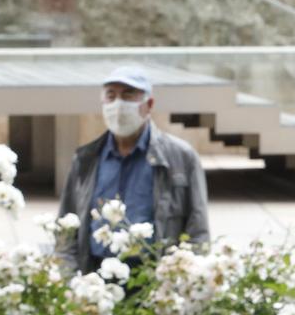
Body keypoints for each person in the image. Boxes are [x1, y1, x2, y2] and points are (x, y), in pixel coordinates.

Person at [55, 63, 210, 275]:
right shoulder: (86, 159)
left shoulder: (180, 158)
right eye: (111, 96)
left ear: (149, 104)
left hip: (153, 279)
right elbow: (66, 227)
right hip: (94, 277)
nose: (118, 104)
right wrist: (69, 278)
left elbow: (198, 231)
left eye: (128, 95)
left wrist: (180, 281)